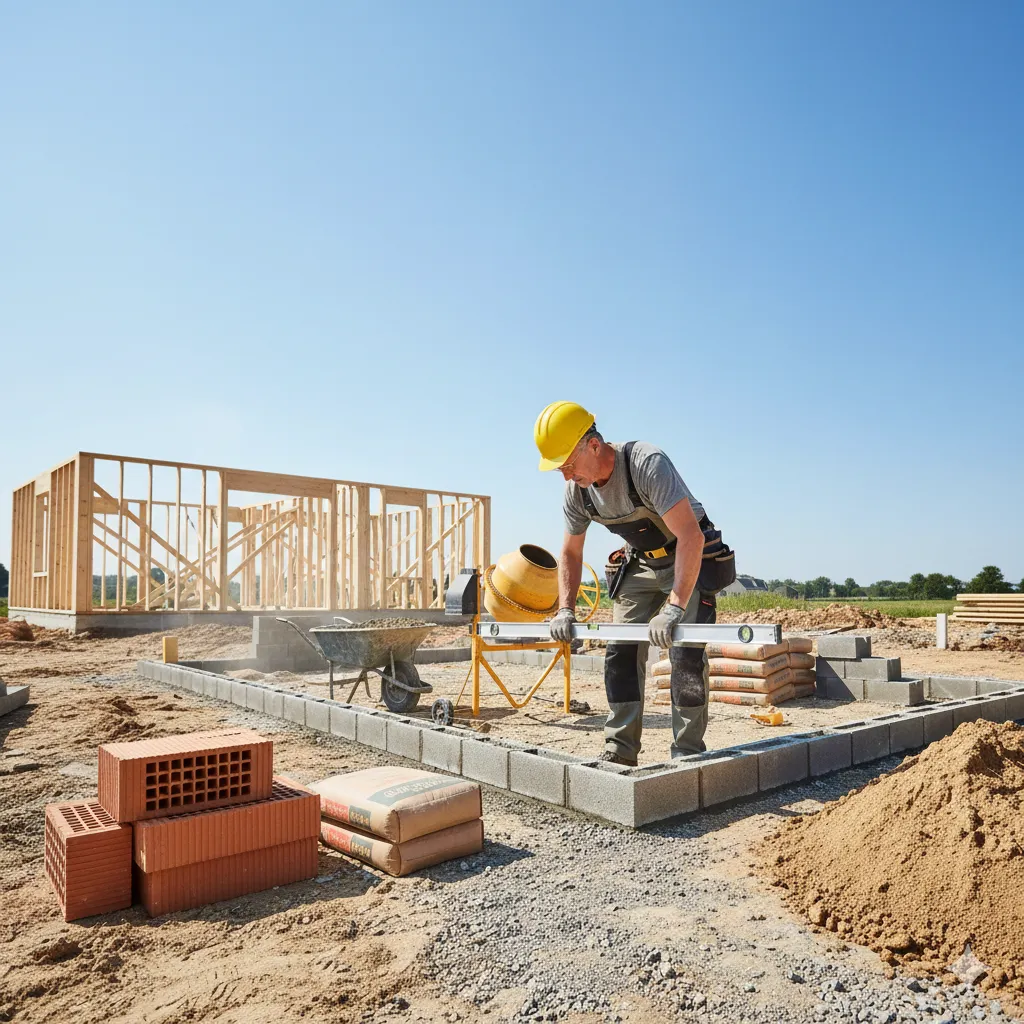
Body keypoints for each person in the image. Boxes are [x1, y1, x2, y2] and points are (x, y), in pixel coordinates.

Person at [535, 400, 726, 766]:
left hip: (687, 556)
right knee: (620, 651)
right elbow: (571, 553)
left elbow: (690, 535)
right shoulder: (578, 491)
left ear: (593, 445)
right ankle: (620, 750)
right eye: (559, 468)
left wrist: (674, 608)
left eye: (568, 464)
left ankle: (686, 754)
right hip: (640, 564)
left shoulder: (645, 464)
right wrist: (564, 609)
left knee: (685, 655)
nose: (565, 475)